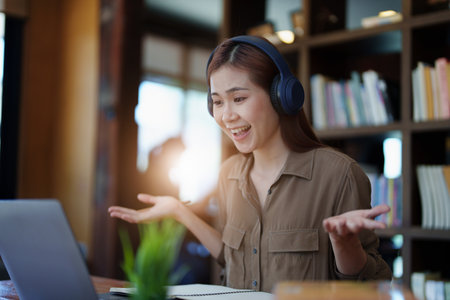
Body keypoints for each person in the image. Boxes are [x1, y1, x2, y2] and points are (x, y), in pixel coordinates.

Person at [109, 35, 392, 293]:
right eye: (217, 102)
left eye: (239, 98)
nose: (226, 115)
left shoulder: (339, 174)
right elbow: (232, 257)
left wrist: (345, 246)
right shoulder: (229, 173)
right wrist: (180, 212)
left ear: (281, 96)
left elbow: (373, 287)